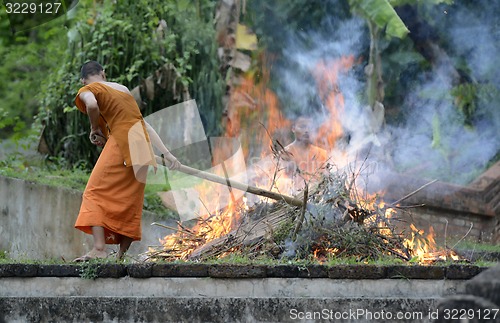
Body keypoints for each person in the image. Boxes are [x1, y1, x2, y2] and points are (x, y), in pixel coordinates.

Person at [73, 61, 181, 261]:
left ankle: (99, 249)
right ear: (103, 73)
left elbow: (92, 105)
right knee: (130, 200)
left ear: (83, 79)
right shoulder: (123, 89)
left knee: (93, 193)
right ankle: (120, 256)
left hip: (122, 143)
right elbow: (144, 125)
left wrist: (94, 128)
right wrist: (167, 153)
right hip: (142, 147)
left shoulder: (87, 89)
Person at [280, 116, 329, 190]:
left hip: (318, 196)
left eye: (310, 127)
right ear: (293, 128)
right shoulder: (285, 153)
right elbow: (281, 181)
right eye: (302, 127)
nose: (307, 130)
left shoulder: (322, 153)